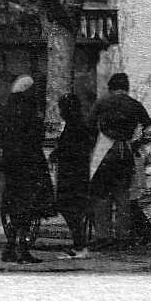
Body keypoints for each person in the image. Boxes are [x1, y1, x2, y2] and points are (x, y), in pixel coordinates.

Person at [86, 72, 151, 249]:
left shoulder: (102, 102)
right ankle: (123, 237)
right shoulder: (134, 104)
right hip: (125, 152)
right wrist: (137, 143)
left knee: (101, 196)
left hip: (104, 151)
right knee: (122, 195)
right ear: (126, 87)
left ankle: (103, 236)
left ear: (111, 87)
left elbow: (89, 127)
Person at [0, 75, 48, 264]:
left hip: (10, 163)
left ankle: (10, 247)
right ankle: (22, 249)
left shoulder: (3, 109)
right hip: (30, 163)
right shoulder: (30, 109)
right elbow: (37, 135)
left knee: (13, 205)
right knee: (28, 207)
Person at [52, 92, 95, 258]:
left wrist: (57, 153)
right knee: (73, 210)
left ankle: (80, 245)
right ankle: (80, 245)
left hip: (71, 175)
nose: (60, 112)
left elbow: (70, 149)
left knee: (68, 208)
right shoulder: (78, 124)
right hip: (78, 173)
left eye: (61, 108)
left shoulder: (74, 126)